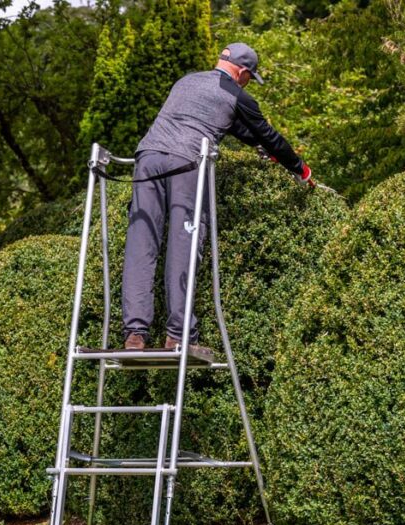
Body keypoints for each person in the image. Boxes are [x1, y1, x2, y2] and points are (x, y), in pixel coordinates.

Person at [122, 42, 312, 351]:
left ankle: (135, 333)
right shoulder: (238, 94)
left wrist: (259, 148)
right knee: (184, 244)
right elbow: (269, 136)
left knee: (141, 242)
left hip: (147, 157)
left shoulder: (186, 81)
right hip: (185, 162)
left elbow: (227, 123)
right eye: (250, 77)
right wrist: (300, 169)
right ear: (243, 72)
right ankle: (178, 334)